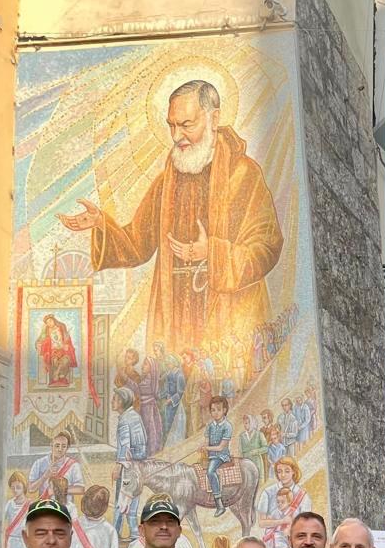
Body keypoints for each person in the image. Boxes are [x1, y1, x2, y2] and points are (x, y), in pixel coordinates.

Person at [58, 78, 284, 354]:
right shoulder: (167, 184)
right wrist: (101, 224)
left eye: (187, 125)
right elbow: (137, 243)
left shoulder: (244, 176)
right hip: (177, 317)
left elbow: (268, 247)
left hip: (228, 316)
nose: (177, 136)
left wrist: (211, 252)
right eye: (171, 126)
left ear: (214, 119)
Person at [205, 396, 234, 515]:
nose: (215, 413)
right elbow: (206, 441)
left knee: (210, 471)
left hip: (221, 456)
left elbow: (221, 447)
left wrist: (207, 448)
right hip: (210, 455)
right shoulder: (210, 426)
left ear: (225, 410)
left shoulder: (227, 426)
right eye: (213, 410)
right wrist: (204, 448)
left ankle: (219, 503)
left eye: (218, 409)